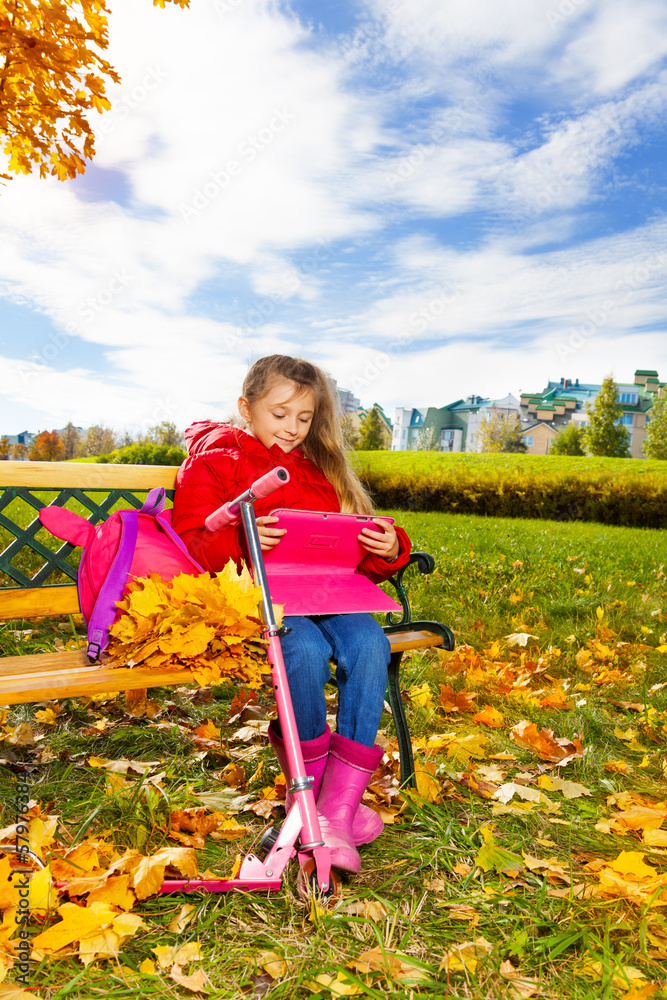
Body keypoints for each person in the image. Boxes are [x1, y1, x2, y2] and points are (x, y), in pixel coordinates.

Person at [172, 355, 412, 877]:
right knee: (300, 647)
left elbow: (345, 550)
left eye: (303, 419)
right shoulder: (214, 461)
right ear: (246, 408)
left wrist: (386, 546)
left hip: (325, 592)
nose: (292, 429)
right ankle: (313, 800)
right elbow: (193, 546)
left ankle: (333, 811)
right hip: (259, 597)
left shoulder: (316, 468)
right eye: (280, 414)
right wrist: (244, 535)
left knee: (369, 642)